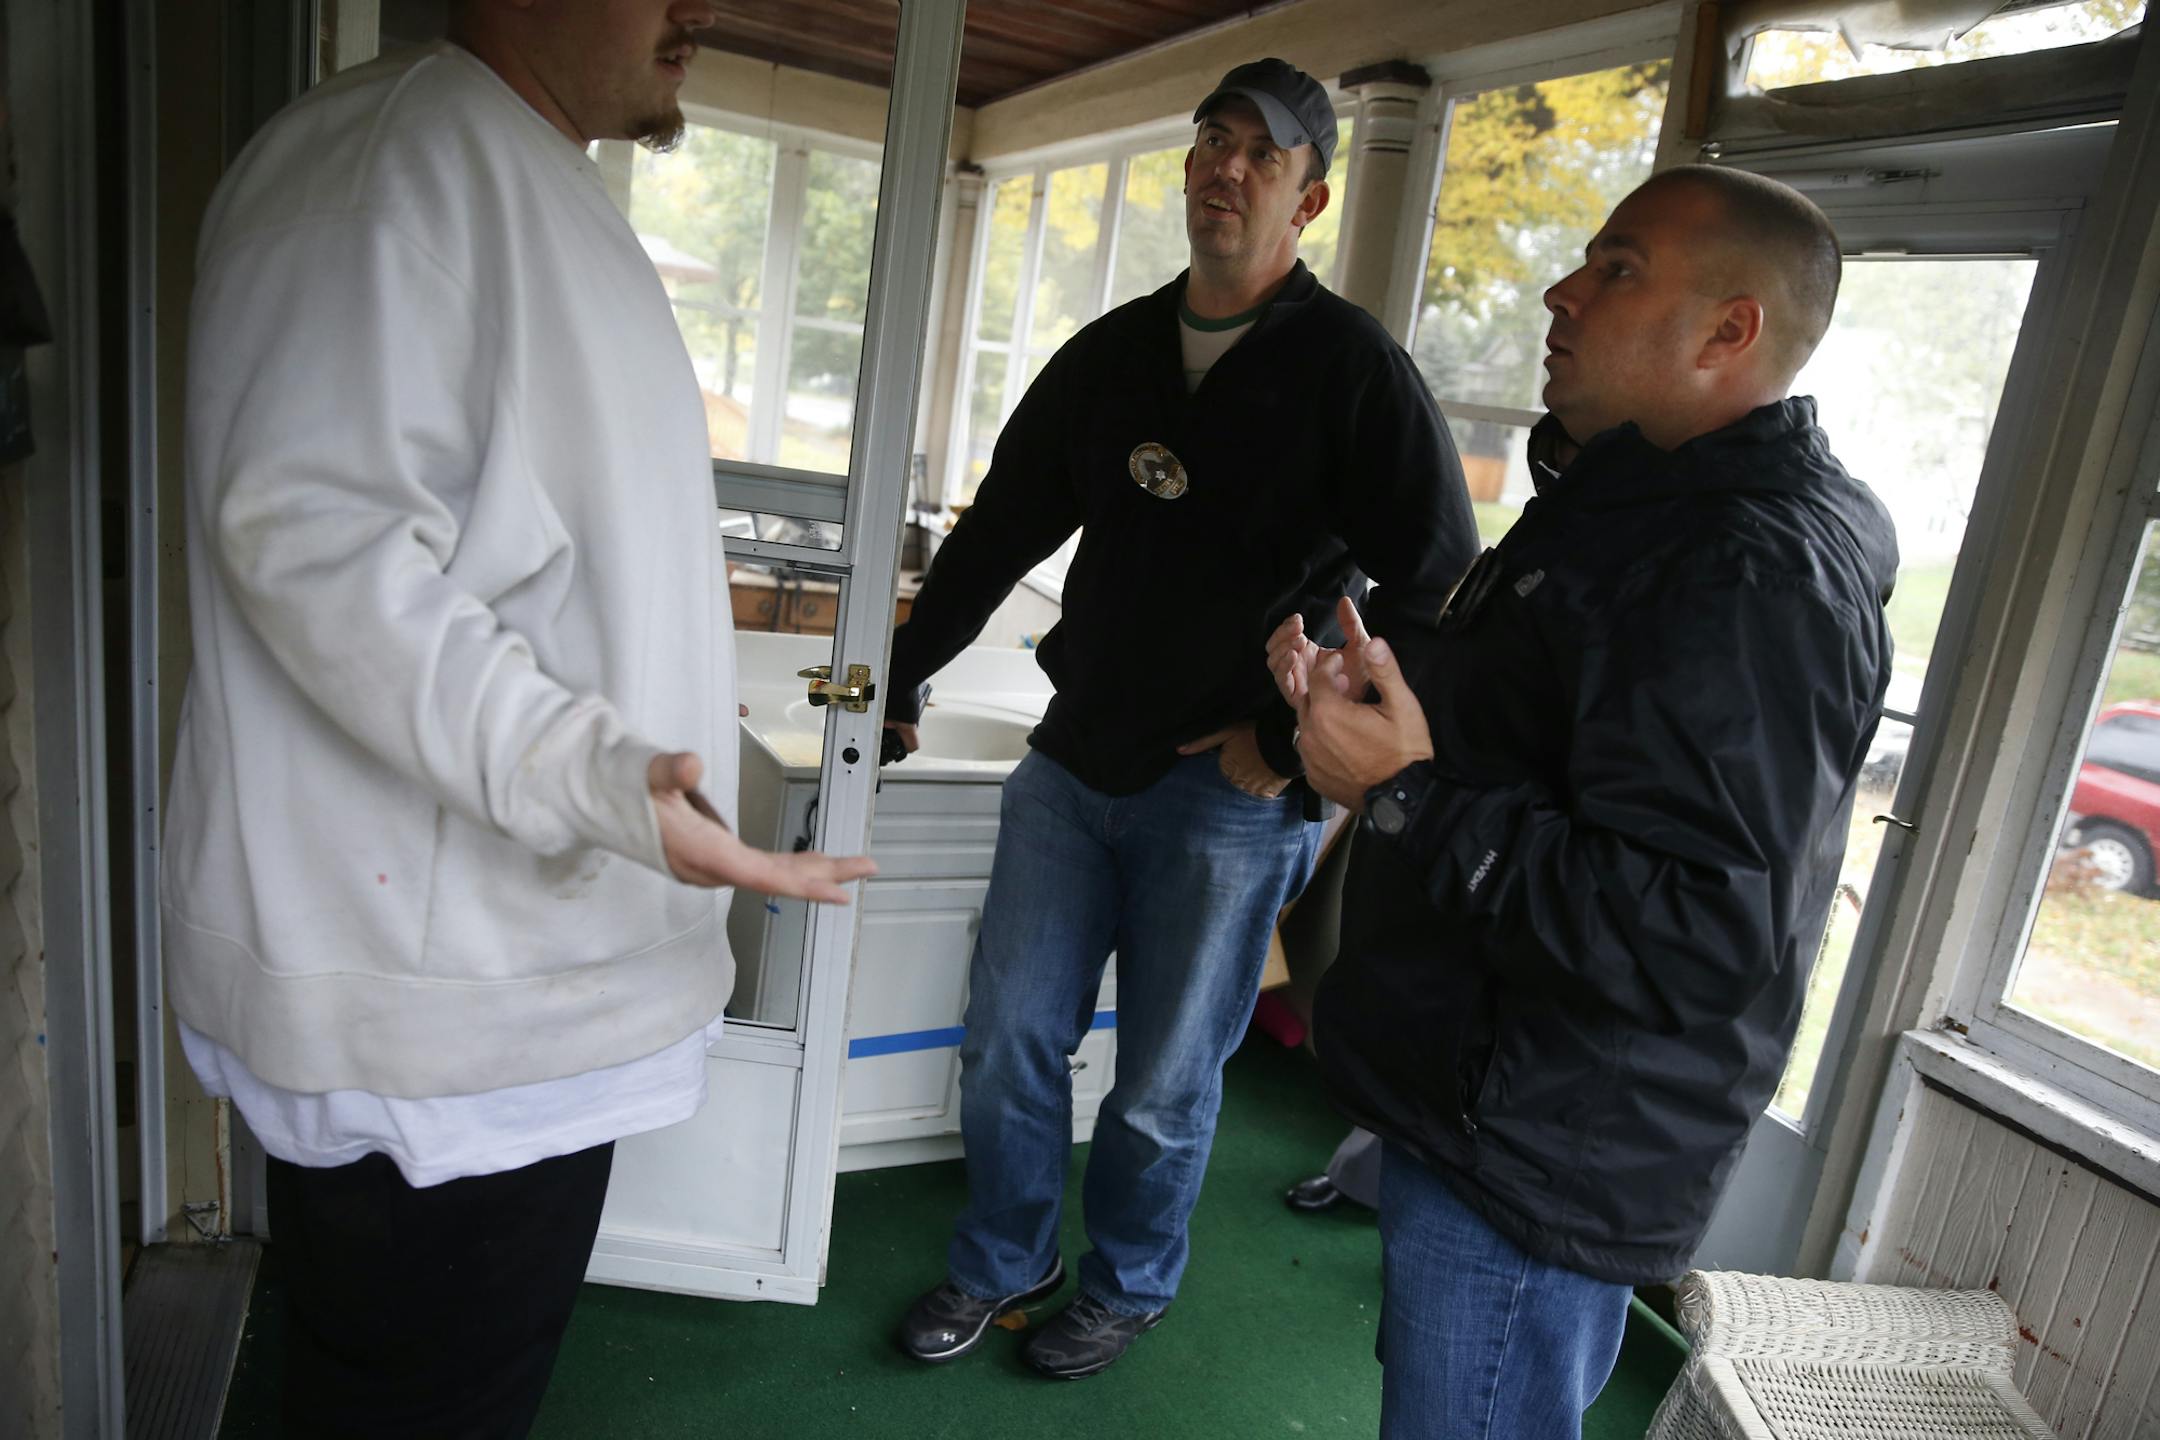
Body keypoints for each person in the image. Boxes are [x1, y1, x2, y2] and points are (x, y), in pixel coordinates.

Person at [164, 2, 874, 1433]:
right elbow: (318, 542)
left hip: (491, 1013)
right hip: (440, 1038)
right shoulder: (399, 166)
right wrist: (591, 774)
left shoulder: (500, 168)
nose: (700, 7)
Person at [1273, 165, 1897, 1437]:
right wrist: (1385, 700)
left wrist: (1402, 792)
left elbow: (1695, 928)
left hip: (1539, 1145)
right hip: (1489, 1100)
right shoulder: (1637, 503)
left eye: (1618, 270)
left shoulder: (1746, 573)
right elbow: (1557, 733)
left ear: (1730, 332)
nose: (1562, 293)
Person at [884, 57, 1478, 1380]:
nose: (1227, 168)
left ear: (1308, 199)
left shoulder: (1352, 373)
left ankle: (1130, 1283)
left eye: (1263, 153)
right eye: (1213, 140)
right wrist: (906, 673)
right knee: (1009, 1040)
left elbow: (1441, 587)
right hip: (1073, 760)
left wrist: (1293, 747)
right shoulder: (1115, 356)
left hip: (1227, 792)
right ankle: (1004, 1258)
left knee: (1162, 1081)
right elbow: (998, 531)